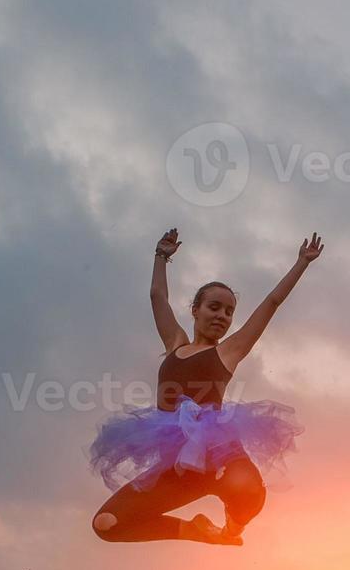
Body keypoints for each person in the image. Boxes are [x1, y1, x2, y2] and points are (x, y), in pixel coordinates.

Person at [87, 228, 323, 545]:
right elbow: (158, 297)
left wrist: (301, 263)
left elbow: (272, 302)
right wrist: (161, 256)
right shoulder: (175, 345)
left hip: (219, 456)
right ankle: (193, 531)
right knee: (106, 525)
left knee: (248, 489)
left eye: (229, 312)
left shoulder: (228, 351)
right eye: (214, 307)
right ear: (195, 310)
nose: (222, 316)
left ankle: (232, 528)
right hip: (179, 467)